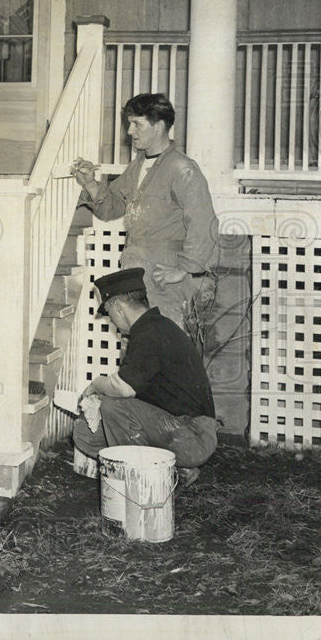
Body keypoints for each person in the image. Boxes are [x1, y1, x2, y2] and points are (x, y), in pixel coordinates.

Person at [71, 92, 217, 331]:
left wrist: (184, 269)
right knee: (140, 343)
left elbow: (205, 223)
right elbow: (111, 208)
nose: (129, 131)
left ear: (158, 125)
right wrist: (89, 183)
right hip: (136, 273)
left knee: (164, 345)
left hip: (163, 277)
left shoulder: (182, 170)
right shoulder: (138, 165)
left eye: (137, 124)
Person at [72, 268, 219, 486]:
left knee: (112, 406)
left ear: (118, 307)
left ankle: (143, 480)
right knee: (84, 433)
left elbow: (123, 388)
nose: (111, 321)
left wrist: (96, 385)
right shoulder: (155, 328)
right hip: (177, 429)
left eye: (109, 314)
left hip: (193, 434)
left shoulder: (150, 333)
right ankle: (175, 470)